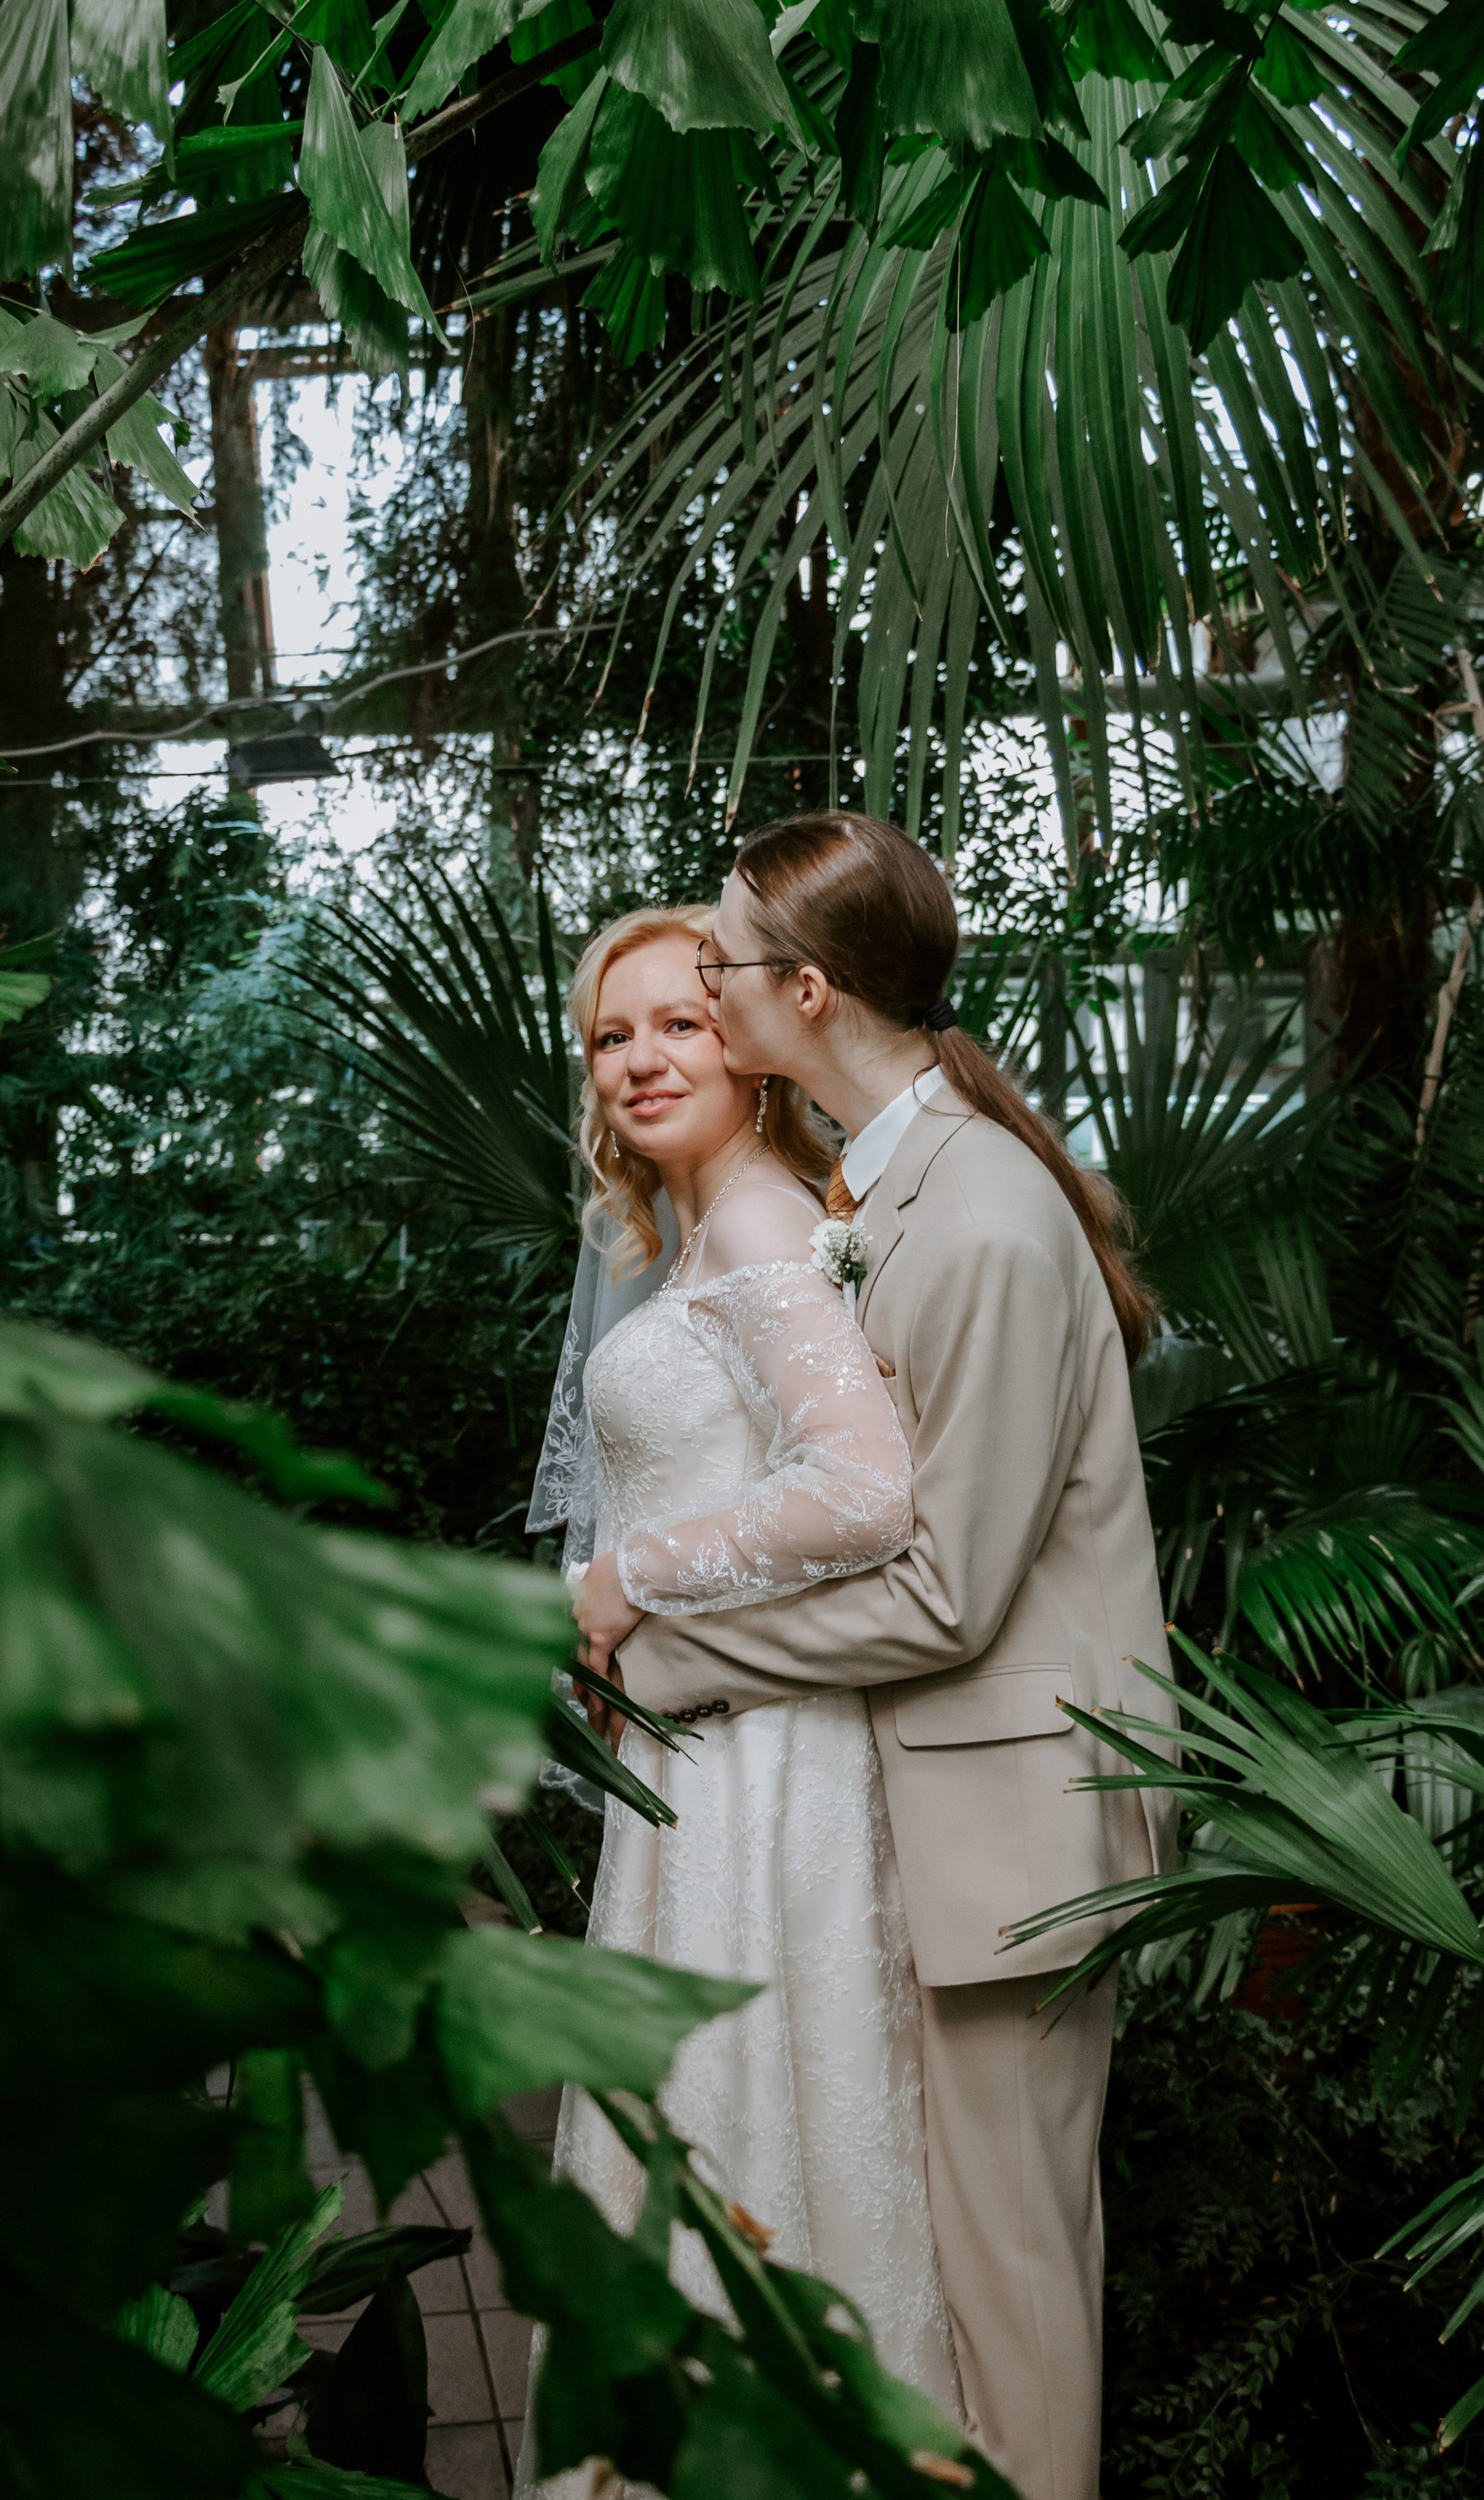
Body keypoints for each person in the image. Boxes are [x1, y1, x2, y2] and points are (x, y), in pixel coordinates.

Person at [589, 815, 1178, 2500]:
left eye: (719, 968)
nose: (695, 991)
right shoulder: (889, 1187)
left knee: (1011, 2308)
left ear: (806, 994)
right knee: (955, 2310)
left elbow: (946, 1598)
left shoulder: (980, 1217)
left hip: (1019, 1846)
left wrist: (675, 1653)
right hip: (937, 1831)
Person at [518, 901, 961, 2499]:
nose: (639, 1059)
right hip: (697, 1760)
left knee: (751, 2117)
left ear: (752, 1045)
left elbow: (861, 1490)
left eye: (677, 1023)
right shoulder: (697, 1231)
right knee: (691, 2127)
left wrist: (633, 1582)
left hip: (764, 1771)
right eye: (608, 1036)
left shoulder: (768, 1222)